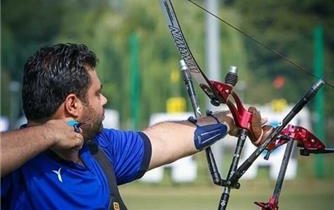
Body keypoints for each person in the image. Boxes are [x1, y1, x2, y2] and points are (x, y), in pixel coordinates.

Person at [0, 43, 271, 209]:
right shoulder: (19, 170)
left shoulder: (98, 148)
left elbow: (162, 141)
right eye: (97, 93)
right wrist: (49, 132)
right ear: (73, 104)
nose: (104, 99)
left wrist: (231, 120)